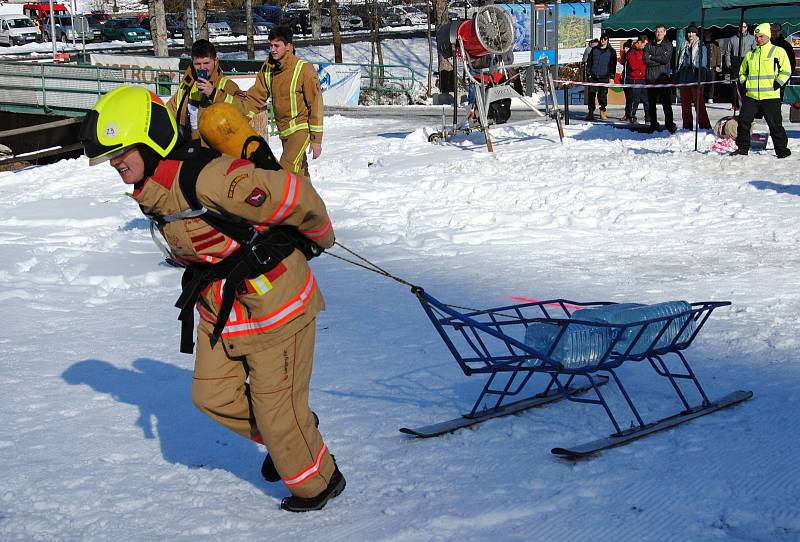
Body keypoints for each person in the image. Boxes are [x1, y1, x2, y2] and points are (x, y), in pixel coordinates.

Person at [79, 85, 346, 511]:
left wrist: (320, 239)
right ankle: (292, 434)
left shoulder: (210, 179)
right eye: (110, 157)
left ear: (148, 143)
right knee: (212, 396)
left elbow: (298, 197)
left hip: (276, 302)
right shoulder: (154, 188)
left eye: (121, 152)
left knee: (277, 413)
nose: (114, 163)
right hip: (222, 303)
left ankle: (320, 483)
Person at [239, 25, 323, 176]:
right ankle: (309, 199)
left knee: (285, 170)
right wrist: (240, 115)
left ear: (289, 46)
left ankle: (286, 199)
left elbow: (315, 105)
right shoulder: (268, 68)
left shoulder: (304, 69)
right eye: (270, 45)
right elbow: (256, 97)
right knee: (301, 172)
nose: (272, 49)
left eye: (277, 45)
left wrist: (316, 139)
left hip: (300, 129)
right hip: (284, 131)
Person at [166, 39, 246, 143]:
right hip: (190, 148)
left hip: (217, 149)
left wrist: (214, 94)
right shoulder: (186, 85)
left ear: (215, 61)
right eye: (197, 64)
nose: (202, 68)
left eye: (206, 63)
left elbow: (244, 110)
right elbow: (169, 111)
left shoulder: (227, 85)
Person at [731, 23, 792, 158]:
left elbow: (787, 70)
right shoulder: (750, 54)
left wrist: (777, 84)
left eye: (761, 36)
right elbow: (742, 72)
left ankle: (782, 151)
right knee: (743, 122)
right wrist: (745, 82)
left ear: (768, 36)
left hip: (770, 96)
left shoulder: (778, 51)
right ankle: (742, 148)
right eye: (756, 37)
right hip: (752, 97)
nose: (758, 39)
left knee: (775, 125)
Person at [675, 24, 711, 130]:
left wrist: (702, 78)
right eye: (689, 32)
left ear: (696, 33)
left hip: (696, 76)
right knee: (685, 105)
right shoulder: (683, 45)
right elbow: (679, 62)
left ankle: (705, 126)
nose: (691, 34)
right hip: (684, 77)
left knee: (699, 105)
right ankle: (687, 126)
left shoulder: (701, 46)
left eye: (693, 32)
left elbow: (703, 63)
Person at [644, 24, 677, 133]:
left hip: (663, 79)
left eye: (661, 31)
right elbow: (645, 60)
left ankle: (669, 124)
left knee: (666, 104)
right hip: (650, 79)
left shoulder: (668, 45)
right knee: (651, 105)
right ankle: (653, 124)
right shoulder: (649, 45)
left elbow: (665, 60)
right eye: (657, 31)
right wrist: (658, 60)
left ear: (665, 32)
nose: (659, 33)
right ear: (655, 32)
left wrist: (652, 57)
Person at [585, 34, 617, 121]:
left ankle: (602, 111)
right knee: (591, 95)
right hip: (593, 77)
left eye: (605, 39)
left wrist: (611, 77)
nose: (603, 40)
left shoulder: (612, 51)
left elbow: (613, 65)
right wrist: (589, 74)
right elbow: (589, 62)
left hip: (604, 77)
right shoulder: (594, 50)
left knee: (602, 95)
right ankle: (590, 112)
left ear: (608, 40)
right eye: (602, 39)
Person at [725, 21, 755, 109]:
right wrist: (728, 63)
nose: (742, 28)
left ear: (747, 28)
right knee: (735, 84)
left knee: (746, 83)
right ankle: (734, 104)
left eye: (744, 27)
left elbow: (755, 52)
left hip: (746, 61)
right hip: (735, 61)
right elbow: (727, 52)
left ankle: (746, 104)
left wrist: (752, 63)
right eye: (741, 27)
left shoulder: (752, 38)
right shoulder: (732, 39)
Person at [626, 35, 651, 124]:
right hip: (635, 79)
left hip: (644, 78)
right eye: (644, 44)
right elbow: (633, 66)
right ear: (639, 42)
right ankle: (632, 117)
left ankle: (648, 118)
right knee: (634, 100)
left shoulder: (645, 51)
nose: (646, 47)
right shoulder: (631, 52)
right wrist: (644, 60)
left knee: (647, 100)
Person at [771, 23, 797, 100]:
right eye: (772, 30)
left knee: (777, 101)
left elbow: (792, 63)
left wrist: (785, 78)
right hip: (766, 79)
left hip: (780, 79)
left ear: (780, 31)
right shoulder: (766, 45)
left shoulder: (786, 46)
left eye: (776, 30)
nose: (774, 32)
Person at [704, 29, 723, 103]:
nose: (707, 34)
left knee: (712, 82)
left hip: (713, 66)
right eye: (706, 33)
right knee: (703, 82)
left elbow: (719, 55)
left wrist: (718, 65)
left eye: (708, 33)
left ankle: (710, 97)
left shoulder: (715, 43)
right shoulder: (701, 43)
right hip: (704, 66)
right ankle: (703, 97)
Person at [619, 39, 634, 121]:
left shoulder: (631, 55)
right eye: (624, 48)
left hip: (630, 80)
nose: (625, 49)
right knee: (628, 99)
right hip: (624, 81)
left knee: (630, 99)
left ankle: (630, 114)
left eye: (626, 48)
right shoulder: (624, 57)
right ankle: (627, 114)